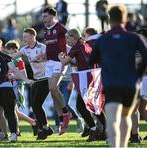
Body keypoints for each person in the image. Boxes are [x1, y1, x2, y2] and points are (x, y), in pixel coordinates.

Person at [88, 5, 147, 147]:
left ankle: (116, 146)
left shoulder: (103, 39)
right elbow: (145, 57)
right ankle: (123, 145)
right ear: (124, 19)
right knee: (125, 116)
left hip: (111, 84)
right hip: (130, 84)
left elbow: (91, 60)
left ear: (109, 20)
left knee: (113, 117)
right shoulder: (134, 37)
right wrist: (138, 74)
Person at [58, 28, 106, 142]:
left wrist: (60, 57)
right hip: (93, 76)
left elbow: (64, 62)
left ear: (74, 37)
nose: (67, 41)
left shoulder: (76, 46)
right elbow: (81, 61)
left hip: (87, 78)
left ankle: (95, 129)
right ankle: (103, 129)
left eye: (68, 38)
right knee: (93, 106)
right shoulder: (85, 44)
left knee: (82, 106)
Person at [7, 28, 54, 140]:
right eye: (23, 37)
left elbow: (53, 58)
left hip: (46, 78)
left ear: (33, 36)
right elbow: (12, 57)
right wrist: (0, 57)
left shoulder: (43, 47)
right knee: (34, 105)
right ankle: (43, 130)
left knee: (36, 104)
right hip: (36, 80)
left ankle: (45, 128)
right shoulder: (24, 49)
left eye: (26, 37)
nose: (24, 39)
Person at [41, 6, 71, 135]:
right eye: (43, 16)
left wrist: (67, 54)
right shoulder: (45, 30)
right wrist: (43, 55)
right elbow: (49, 47)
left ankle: (66, 113)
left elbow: (71, 37)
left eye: (45, 16)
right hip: (49, 63)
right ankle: (61, 121)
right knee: (53, 93)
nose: (43, 19)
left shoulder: (60, 28)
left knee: (53, 88)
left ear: (52, 16)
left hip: (60, 61)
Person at [4, 40, 38, 136]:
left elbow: (23, 75)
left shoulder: (19, 61)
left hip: (17, 87)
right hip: (12, 86)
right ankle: (32, 123)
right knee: (14, 111)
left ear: (14, 49)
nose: (7, 53)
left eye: (8, 51)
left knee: (13, 111)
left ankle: (19, 130)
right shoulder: (11, 60)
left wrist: (11, 76)